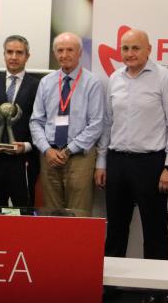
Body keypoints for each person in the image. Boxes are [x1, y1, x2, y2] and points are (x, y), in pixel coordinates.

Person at [95, 28, 168, 260]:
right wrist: (101, 162)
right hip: (117, 161)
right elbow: (107, 123)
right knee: (115, 228)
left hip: (151, 164)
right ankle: (112, 287)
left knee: (155, 230)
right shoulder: (115, 78)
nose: (130, 53)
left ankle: (156, 290)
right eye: (125, 48)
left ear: (149, 50)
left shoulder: (164, 77)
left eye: (136, 48)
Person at [29, 32, 104, 216]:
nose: (64, 55)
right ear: (55, 54)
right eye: (60, 50)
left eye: (69, 50)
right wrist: (47, 149)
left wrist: (69, 149)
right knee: (52, 215)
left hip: (80, 158)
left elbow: (96, 124)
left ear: (79, 53)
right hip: (50, 157)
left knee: (78, 214)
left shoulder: (92, 82)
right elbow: (36, 121)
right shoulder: (46, 82)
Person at [0, 35, 40, 207]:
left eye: (19, 53)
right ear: (4, 55)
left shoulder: (38, 85)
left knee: (24, 213)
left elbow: (41, 122)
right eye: (9, 52)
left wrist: (27, 146)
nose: (13, 57)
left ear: (27, 56)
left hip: (23, 162)